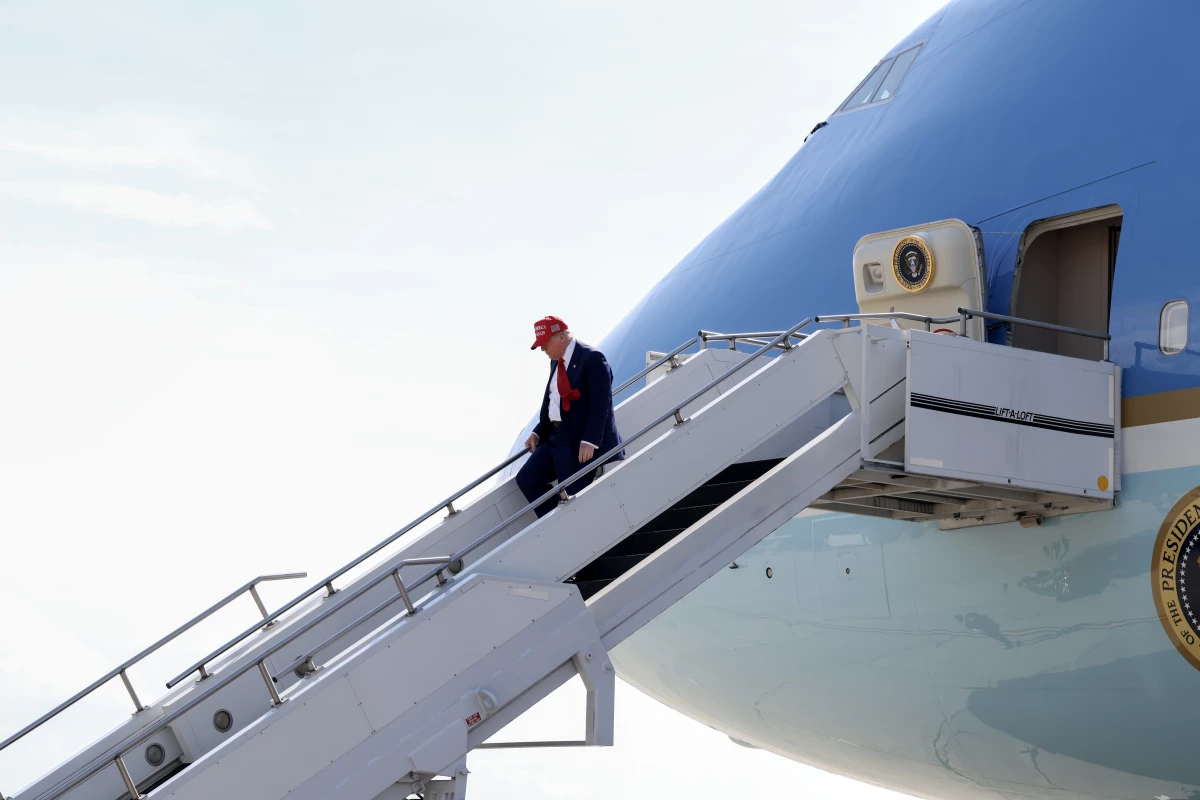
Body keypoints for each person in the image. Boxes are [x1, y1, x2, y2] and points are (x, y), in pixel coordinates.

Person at [516, 316, 624, 518]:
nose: (543, 350)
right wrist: (538, 432)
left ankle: (567, 525)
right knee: (527, 479)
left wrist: (590, 440)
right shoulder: (556, 362)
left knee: (571, 497)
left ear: (561, 338)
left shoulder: (592, 358)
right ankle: (555, 522)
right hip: (555, 437)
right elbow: (553, 402)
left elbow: (602, 404)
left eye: (545, 344)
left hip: (579, 441)